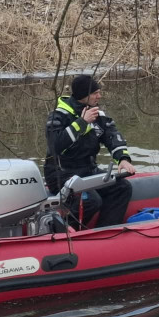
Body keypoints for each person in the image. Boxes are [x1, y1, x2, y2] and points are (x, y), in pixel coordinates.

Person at [45, 74, 136, 229]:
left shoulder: (97, 115)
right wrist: (82, 122)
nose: (99, 96)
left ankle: (105, 231)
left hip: (88, 170)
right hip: (61, 173)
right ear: (83, 95)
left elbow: (111, 136)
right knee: (91, 200)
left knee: (122, 188)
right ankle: (62, 230)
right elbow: (56, 145)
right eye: (95, 93)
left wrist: (123, 159)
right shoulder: (58, 116)